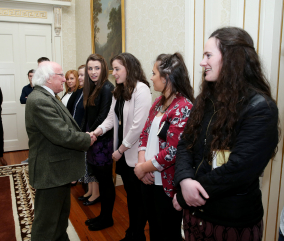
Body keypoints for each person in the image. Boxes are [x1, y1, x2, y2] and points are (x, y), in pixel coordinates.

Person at [173, 27, 279, 241]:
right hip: (195, 215)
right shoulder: (205, 99)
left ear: (232, 59)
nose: (202, 62)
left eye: (208, 55)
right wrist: (184, 179)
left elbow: (239, 169)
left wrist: (188, 195)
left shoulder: (259, 107)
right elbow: (186, 143)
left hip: (231, 222)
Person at [25, 61, 95, 241]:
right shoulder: (40, 100)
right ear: (49, 79)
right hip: (50, 172)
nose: (65, 79)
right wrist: (87, 139)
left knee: (59, 217)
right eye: (61, 75)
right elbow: (61, 135)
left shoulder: (47, 96)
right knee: (46, 223)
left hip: (58, 169)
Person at [134, 53, 194, 240]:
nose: (151, 77)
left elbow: (172, 152)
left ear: (166, 77)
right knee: (154, 228)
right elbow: (144, 133)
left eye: (153, 73)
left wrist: (142, 168)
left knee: (167, 232)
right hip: (148, 178)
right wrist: (142, 165)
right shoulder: (158, 102)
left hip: (166, 183)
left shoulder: (184, 106)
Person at [92, 53, 151, 240]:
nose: (114, 73)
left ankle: (137, 233)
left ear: (129, 68)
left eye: (117, 69)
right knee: (131, 196)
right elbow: (111, 119)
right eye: (113, 69)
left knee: (137, 198)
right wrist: (96, 132)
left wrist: (120, 150)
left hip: (133, 153)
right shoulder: (118, 91)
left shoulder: (141, 89)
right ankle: (132, 232)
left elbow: (138, 127)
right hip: (124, 153)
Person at [82, 54, 115, 231]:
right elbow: (88, 115)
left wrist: (89, 135)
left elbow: (103, 117)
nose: (93, 72)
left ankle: (107, 218)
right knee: (101, 181)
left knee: (106, 182)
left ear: (103, 69)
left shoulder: (107, 88)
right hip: (93, 140)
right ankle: (103, 215)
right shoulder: (94, 87)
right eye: (90, 68)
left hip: (102, 142)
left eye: (97, 68)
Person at [67, 65, 100, 205]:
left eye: (82, 75)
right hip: (80, 133)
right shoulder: (79, 92)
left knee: (91, 165)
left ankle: (96, 193)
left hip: (90, 133)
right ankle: (90, 191)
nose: (80, 78)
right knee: (86, 164)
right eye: (79, 75)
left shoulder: (92, 92)